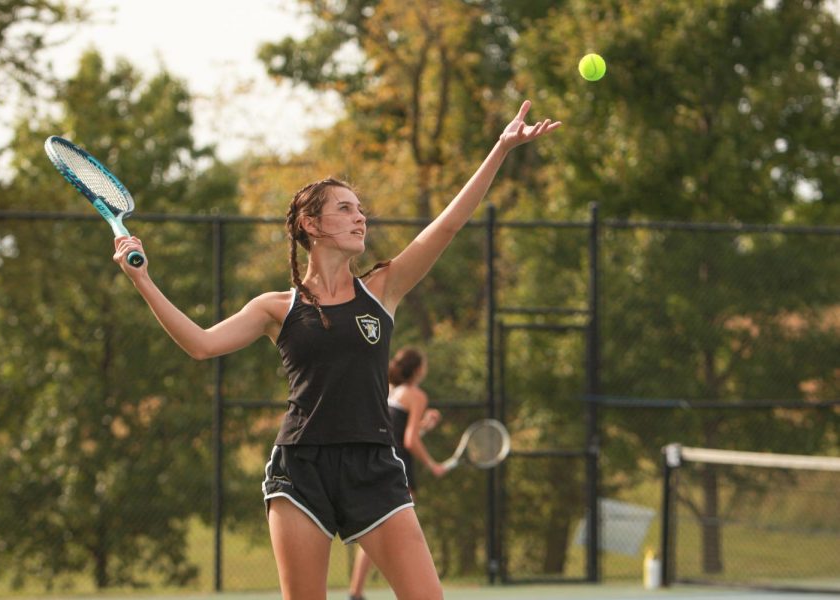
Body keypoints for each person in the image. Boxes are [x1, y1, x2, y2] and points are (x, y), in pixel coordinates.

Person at [112, 100, 560, 600]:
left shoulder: (383, 290)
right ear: (310, 224)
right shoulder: (275, 308)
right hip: (300, 468)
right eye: (345, 208)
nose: (360, 217)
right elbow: (199, 344)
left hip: (374, 468)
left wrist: (500, 149)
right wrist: (143, 279)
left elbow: (449, 226)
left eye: (361, 209)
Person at [348, 346, 445, 600]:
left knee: (373, 529)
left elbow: (399, 434)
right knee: (403, 534)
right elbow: (410, 441)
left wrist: (425, 425)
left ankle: (356, 592)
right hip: (397, 467)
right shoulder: (416, 395)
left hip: (376, 461)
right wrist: (432, 464)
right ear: (418, 369)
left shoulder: (389, 391)